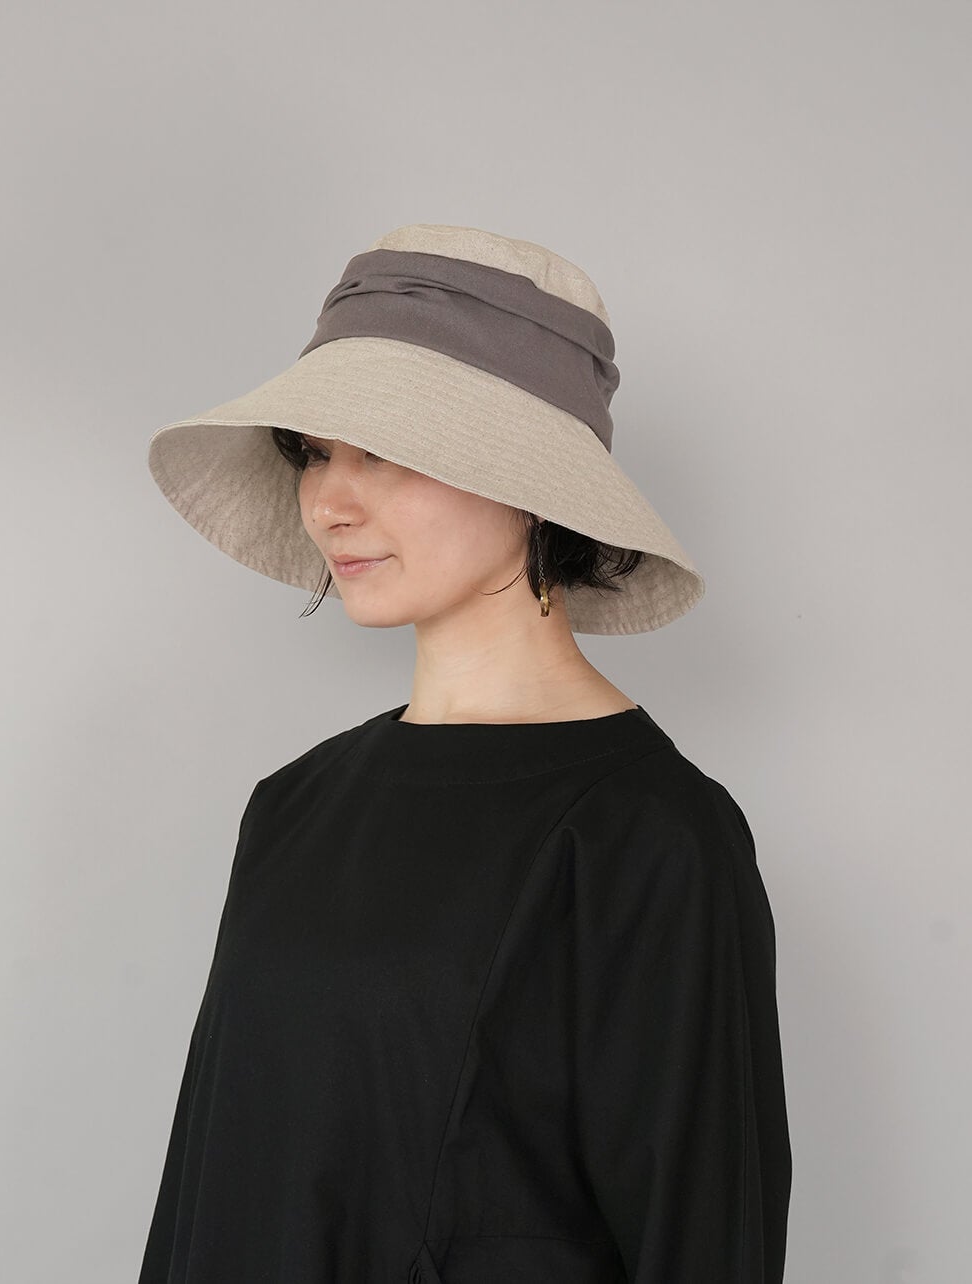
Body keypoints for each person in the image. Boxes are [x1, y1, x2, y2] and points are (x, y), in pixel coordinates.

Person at [138, 223, 792, 1283]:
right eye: (314, 453)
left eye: (382, 452)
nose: (328, 502)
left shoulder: (652, 839)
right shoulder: (296, 806)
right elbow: (211, 1188)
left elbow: (703, 1239)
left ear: (527, 482)